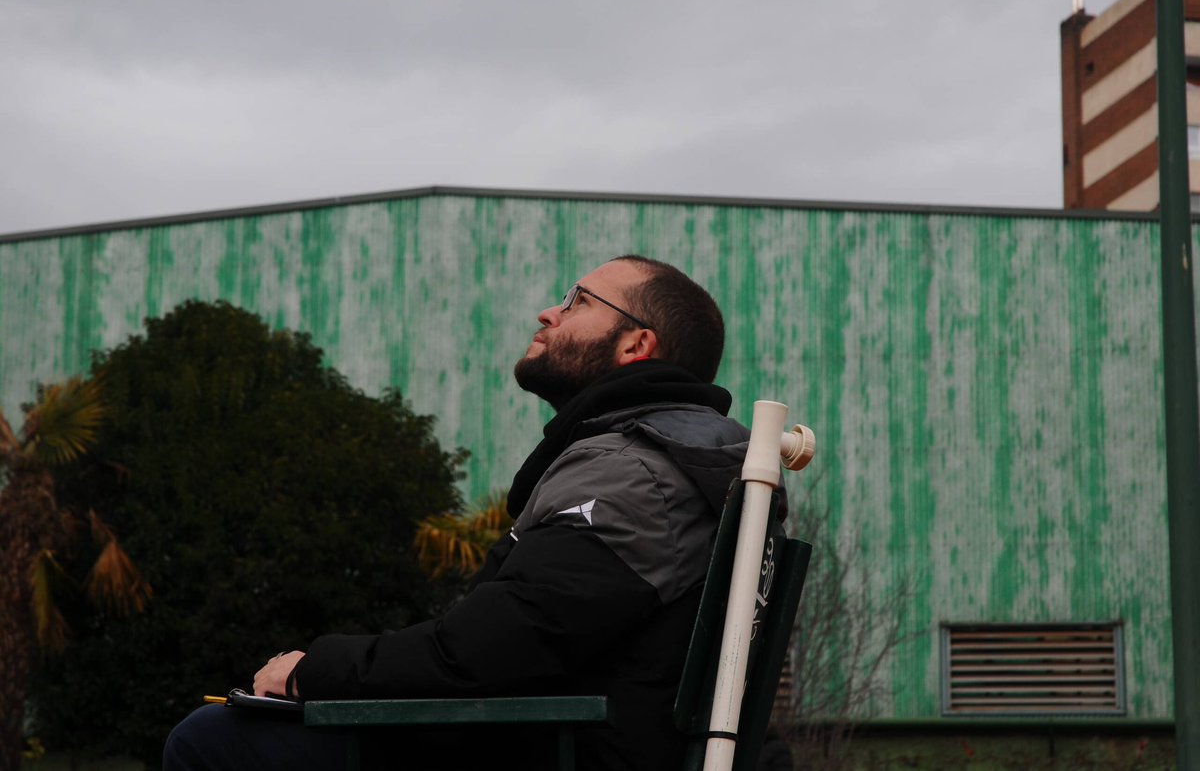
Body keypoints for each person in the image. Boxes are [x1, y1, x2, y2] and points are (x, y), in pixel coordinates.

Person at [164, 255, 782, 770]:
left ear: (636, 344)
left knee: (213, 739)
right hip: (557, 740)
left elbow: (489, 653)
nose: (548, 312)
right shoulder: (685, 464)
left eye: (578, 301)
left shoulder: (636, 472)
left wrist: (313, 670)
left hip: (546, 748)